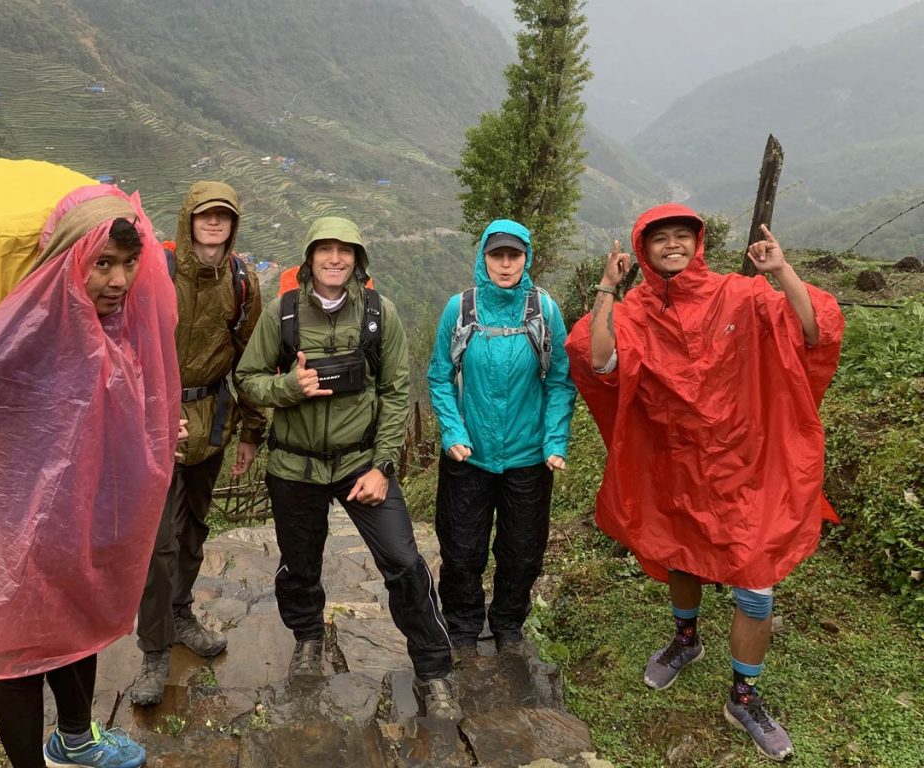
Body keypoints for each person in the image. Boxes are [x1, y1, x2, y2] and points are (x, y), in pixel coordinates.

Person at [565, 203, 844, 762]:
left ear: (698, 244)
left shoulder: (740, 295)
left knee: (756, 581)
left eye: (682, 236)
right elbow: (597, 361)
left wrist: (781, 273)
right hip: (677, 465)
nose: (673, 245)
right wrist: (605, 290)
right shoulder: (636, 311)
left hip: (750, 465)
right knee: (681, 555)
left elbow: (816, 332)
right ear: (642, 250)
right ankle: (685, 640)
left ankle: (743, 696)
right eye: (659, 238)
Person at [0, 185, 180, 768]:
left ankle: (75, 740)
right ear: (69, 259)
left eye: (128, 263)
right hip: (19, 538)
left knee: (77, 631)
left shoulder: (114, 326)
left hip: (82, 525)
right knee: (21, 661)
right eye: (102, 264)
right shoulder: (24, 333)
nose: (118, 280)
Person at [236, 216, 460, 719]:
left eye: (345, 250)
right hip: (294, 466)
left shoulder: (380, 315)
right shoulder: (283, 314)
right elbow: (247, 379)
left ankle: (434, 670)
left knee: (404, 561)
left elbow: (396, 391)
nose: (335, 259)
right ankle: (309, 638)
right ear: (309, 258)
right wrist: (287, 390)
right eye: (325, 250)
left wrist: (382, 465)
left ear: (358, 259)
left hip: (361, 461)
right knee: (299, 566)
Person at [131, 181, 265, 706]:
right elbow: (124, 349)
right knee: (158, 541)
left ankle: (182, 612)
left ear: (233, 225)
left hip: (210, 421)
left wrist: (251, 432)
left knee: (193, 531)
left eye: (223, 217)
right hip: (154, 424)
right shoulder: (155, 273)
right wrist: (151, 410)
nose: (213, 224)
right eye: (205, 215)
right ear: (188, 219)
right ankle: (154, 649)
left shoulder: (242, 283)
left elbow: (250, 362)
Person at [426, 219, 576, 656]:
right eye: (497, 255)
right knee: (461, 548)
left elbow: (561, 381)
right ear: (483, 258)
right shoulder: (460, 309)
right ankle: (463, 626)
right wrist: (452, 430)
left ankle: (509, 625)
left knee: (522, 551)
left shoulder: (544, 312)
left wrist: (554, 441)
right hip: (468, 456)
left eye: (514, 255)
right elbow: (439, 376)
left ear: (526, 258)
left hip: (529, 457)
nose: (506, 263)